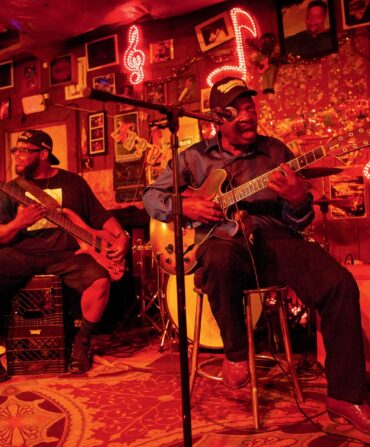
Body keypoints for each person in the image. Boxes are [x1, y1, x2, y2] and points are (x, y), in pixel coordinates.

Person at [143, 76, 370, 435]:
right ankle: (235, 352)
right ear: (219, 117)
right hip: (222, 245)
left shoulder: (276, 152)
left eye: (252, 108)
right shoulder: (194, 157)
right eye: (240, 111)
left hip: (273, 238)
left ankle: (346, 395)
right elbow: (151, 197)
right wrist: (186, 206)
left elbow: (301, 220)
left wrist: (297, 200)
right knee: (218, 256)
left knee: (339, 283)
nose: (250, 116)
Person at [0, 129, 130, 381]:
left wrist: (123, 238)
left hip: (69, 254)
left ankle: (82, 344)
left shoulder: (73, 183)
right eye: (15, 150)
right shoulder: (9, 190)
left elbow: (102, 218)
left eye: (24, 150)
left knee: (100, 281)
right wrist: (18, 223)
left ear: (44, 153)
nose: (17, 155)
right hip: (22, 254)